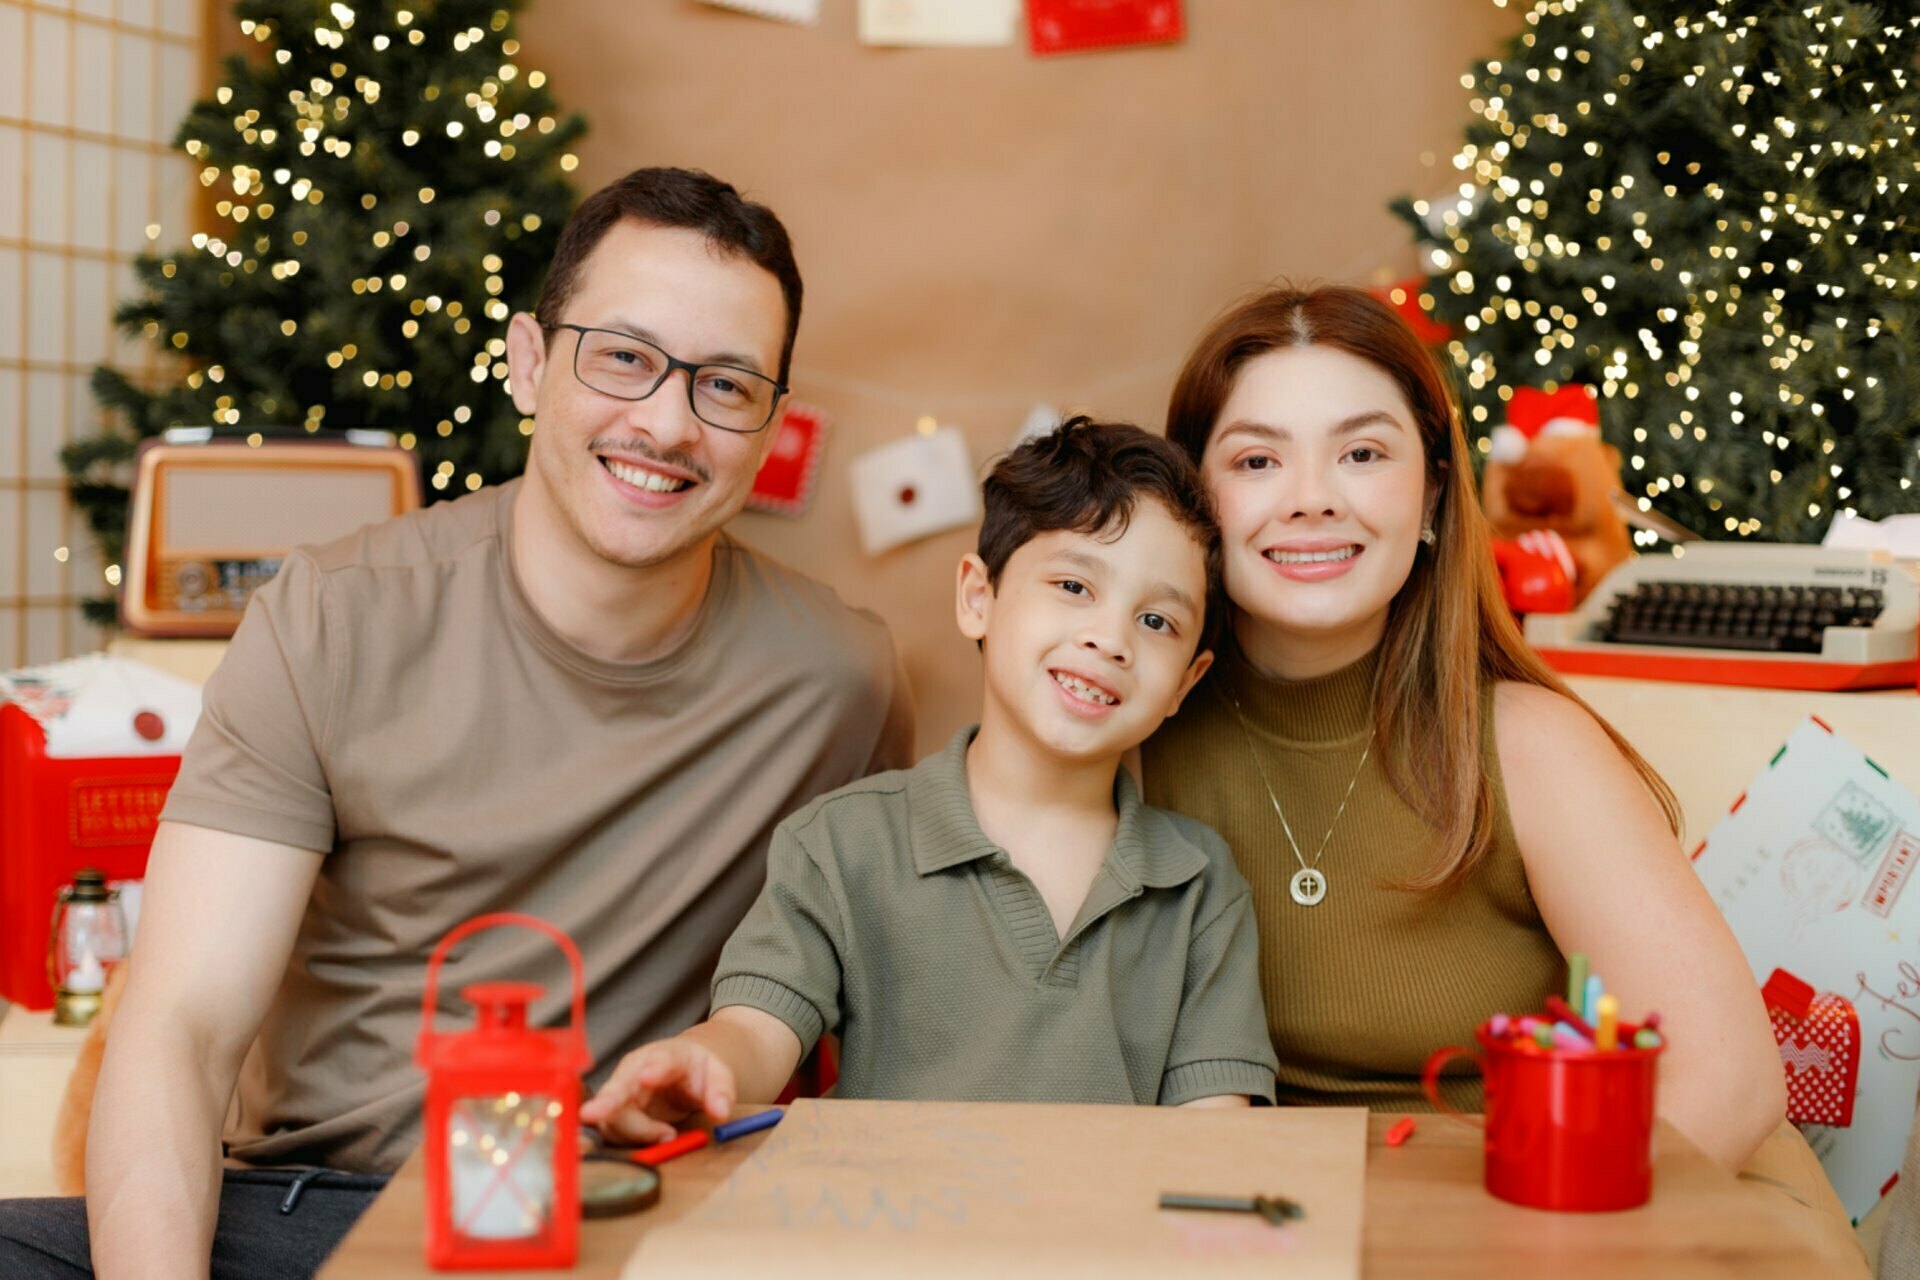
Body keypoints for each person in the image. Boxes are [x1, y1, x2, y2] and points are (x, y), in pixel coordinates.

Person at [0, 167, 913, 1279]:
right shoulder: (332, 620)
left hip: (619, 1216)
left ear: (768, 424)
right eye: (623, 357)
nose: (666, 422)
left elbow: (864, 1001)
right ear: (529, 362)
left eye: (725, 384)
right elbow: (180, 1029)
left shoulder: (839, 679)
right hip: (318, 1209)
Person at [1142, 283, 1867, 1271]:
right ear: (1196, 502)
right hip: (1297, 1223)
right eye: (1257, 460)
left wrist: (1522, 1251)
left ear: (1435, 496)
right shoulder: (1136, 734)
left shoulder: (1528, 744)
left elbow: (1728, 1085)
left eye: (1363, 453)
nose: (1311, 496)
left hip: (1595, 1204)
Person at [581, 420, 1278, 1141]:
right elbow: (755, 1032)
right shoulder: (840, 843)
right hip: (890, 1214)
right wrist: (703, 1063)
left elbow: (1215, 1134)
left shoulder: (1199, 885)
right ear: (978, 597)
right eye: (1074, 585)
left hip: (1110, 1218)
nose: (1110, 639)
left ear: (1186, 682)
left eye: (1157, 621)